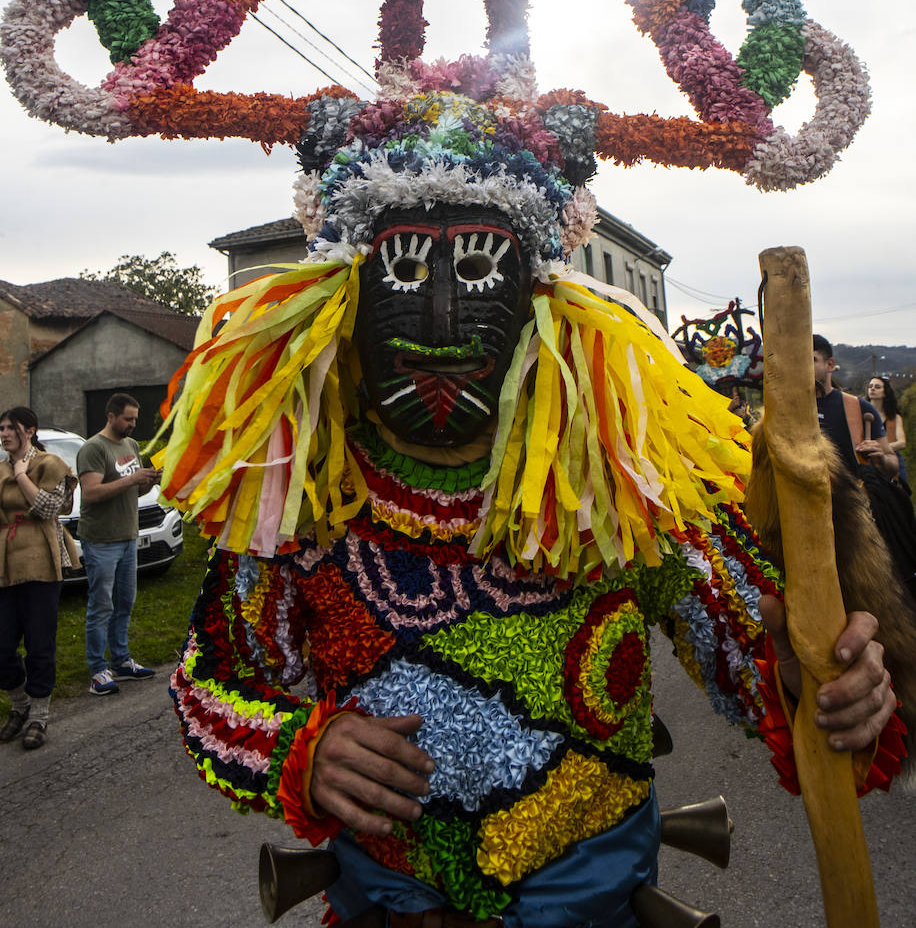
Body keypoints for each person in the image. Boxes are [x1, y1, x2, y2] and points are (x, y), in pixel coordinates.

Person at [156, 144, 902, 927]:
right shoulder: (303, 500)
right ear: (344, 301)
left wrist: (820, 687)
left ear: (535, 303)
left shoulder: (621, 488)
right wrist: (297, 754)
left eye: (478, 271)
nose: (442, 322)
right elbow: (208, 683)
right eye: (405, 275)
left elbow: (767, 665)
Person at [814, 336, 916, 599]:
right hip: (810, 516)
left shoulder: (857, 407)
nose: (803, 367)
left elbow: (892, 466)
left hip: (858, 518)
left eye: (811, 360)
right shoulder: (788, 410)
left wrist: (880, 457)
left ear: (830, 364)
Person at [0, 406, 76, 749]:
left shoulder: (49, 464)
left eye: (9, 428)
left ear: (28, 431)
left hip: (43, 562)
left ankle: (38, 716)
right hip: (6, 563)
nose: (3, 435)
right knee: (2, 645)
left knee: (39, 643)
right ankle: (20, 706)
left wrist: (20, 475)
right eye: (0, 429)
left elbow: (47, 508)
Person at [76, 393, 158, 695]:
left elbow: (130, 492)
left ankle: (121, 660)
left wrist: (148, 480)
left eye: (135, 419)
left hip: (127, 536)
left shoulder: (131, 445)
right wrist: (132, 479)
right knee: (101, 606)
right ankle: (98, 669)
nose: (133, 424)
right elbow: (92, 493)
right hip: (101, 540)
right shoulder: (93, 448)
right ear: (111, 416)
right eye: (128, 419)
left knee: (125, 602)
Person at [866, 375, 908, 487]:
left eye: (877, 387)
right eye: (870, 386)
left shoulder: (894, 418)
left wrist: (882, 449)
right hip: (867, 461)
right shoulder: (860, 414)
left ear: (885, 392)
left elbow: (902, 443)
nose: (872, 389)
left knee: (901, 494)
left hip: (892, 461)